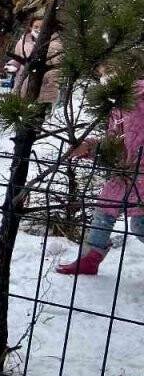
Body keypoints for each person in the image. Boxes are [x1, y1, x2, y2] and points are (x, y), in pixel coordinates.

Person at [57, 77, 144, 275]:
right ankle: (91, 257)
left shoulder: (135, 98)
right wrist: (88, 147)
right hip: (126, 170)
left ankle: (91, 256)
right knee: (105, 207)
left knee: (140, 224)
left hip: (138, 170)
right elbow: (114, 143)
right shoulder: (118, 101)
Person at [7, 15, 63, 104]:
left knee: (37, 116)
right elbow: (18, 58)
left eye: (42, 27)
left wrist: (51, 81)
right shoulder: (22, 42)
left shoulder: (55, 45)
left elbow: (58, 68)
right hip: (21, 87)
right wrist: (12, 66)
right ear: (30, 27)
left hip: (45, 91)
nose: (38, 29)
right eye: (35, 27)